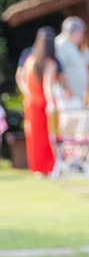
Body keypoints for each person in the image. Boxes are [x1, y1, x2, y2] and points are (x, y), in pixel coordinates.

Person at [16, 27, 59, 175]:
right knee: (47, 137)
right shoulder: (49, 63)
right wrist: (51, 103)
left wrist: (27, 93)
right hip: (43, 104)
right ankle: (48, 167)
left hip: (31, 102)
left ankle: (37, 168)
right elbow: (47, 85)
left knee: (33, 137)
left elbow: (20, 77)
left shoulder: (29, 60)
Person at [53, 16, 89, 109]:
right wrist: (66, 88)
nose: (82, 36)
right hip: (67, 95)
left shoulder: (71, 45)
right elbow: (57, 69)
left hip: (74, 96)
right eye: (81, 32)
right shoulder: (61, 44)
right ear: (75, 32)